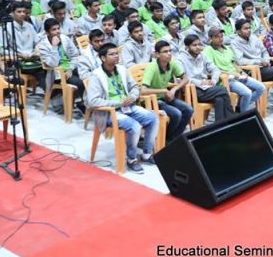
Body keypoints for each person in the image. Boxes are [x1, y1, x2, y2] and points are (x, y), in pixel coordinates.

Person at [86, 43, 158, 174]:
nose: (116, 56)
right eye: (112, 54)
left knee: (153, 118)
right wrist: (118, 103)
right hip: (109, 112)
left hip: (128, 107)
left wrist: (133, 96)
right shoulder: (96, 75)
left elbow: (134, 87)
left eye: (117, 53)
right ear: (103, 58)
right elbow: (93, 101)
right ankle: (131, 159)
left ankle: (147, 154)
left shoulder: (122, 69)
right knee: (134, 126)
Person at [140, 41, 193, 142]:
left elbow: (185, 79)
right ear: (157, 54)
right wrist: (164, 90)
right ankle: (166, 141)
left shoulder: (171, 63)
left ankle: (174, 139)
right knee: (176, 114)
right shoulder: (152, 67)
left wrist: (174, 89)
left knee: (188, 110)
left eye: (170, 51)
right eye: (165, 52)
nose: (169, 54)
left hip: (165, 97)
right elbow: (143, 90)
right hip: (152, 101)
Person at [204, 27, 265, 113]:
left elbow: (233, 64)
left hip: (237, 76)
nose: (220, 39)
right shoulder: (208, 50)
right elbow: (212, 69)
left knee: (261, 88)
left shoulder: (226, 48)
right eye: (217, 37)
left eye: (221, 36)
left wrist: (242, 73)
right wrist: (230, 74)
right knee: (247, 93)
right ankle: (243, 115)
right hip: (225, 79)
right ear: (210, 38)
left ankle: (239, 108)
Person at [176, 34, 234, 124]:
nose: (198, 47)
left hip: (207, 88)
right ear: (187, 47)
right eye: (194, 45)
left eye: (199, 44)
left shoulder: (202, 55)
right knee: (222, 90)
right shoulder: (180, 59)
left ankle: (219, 125)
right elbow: (181, 78)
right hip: (192, 89)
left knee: (220, 99)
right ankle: (232, 120)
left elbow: (215, 69)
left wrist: (214, 80)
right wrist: (201, 82)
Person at [36, 18, 86, 111]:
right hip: (57, 73)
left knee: (89, 76)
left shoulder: (65, 38)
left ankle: (86, 102)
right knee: (79, 82)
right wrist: (54, 47)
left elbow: (75, 55)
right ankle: (84, 104)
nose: (57, 31)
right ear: (47, 32)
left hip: (71, 67)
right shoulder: (43, 46)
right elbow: (53, 64)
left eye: (58, 28)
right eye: (54, 30)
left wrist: (70, 68)